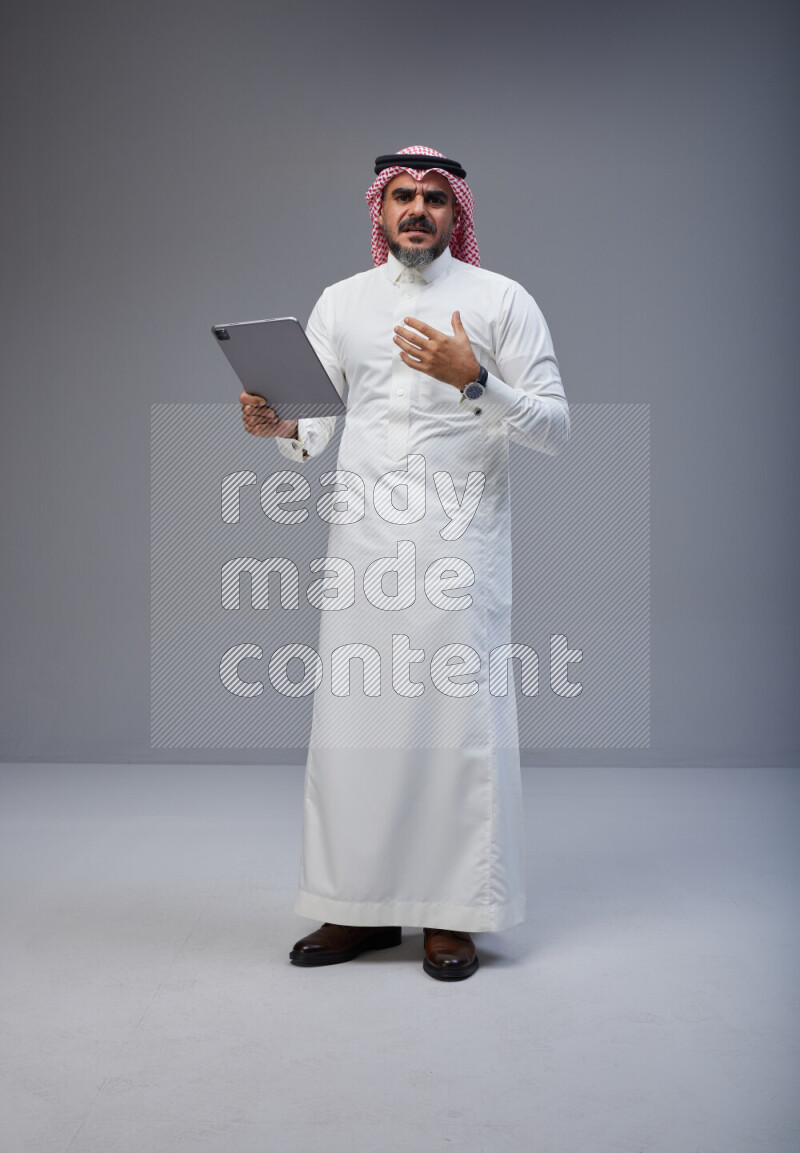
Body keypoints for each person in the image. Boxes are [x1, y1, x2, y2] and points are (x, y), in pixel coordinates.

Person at [240, 145, 570, 981]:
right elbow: (313, 426)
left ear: (457, 213)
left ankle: (452, 916)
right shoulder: (342, 303)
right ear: (380, 210)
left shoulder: (501, 300)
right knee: (355, 730)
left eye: (433, 197)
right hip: (362, 550)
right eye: (402, 196)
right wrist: (278, 423)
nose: (417, 209)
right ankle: (357, 906)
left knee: (455, 731)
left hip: (459, 551)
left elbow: (554, 426)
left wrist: (476, 379)